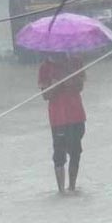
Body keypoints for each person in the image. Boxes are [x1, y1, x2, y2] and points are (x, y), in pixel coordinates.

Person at [38, 52, 86, 193]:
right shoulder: (45, 67)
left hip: (76, 115)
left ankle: (72, 187)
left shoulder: (76, 60)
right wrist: (56, 84)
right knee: (59, 155)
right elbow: (45, 95)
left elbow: (80, 87)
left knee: (75, 152)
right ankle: (61, 191)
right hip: (58, 118)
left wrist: (69, 76)